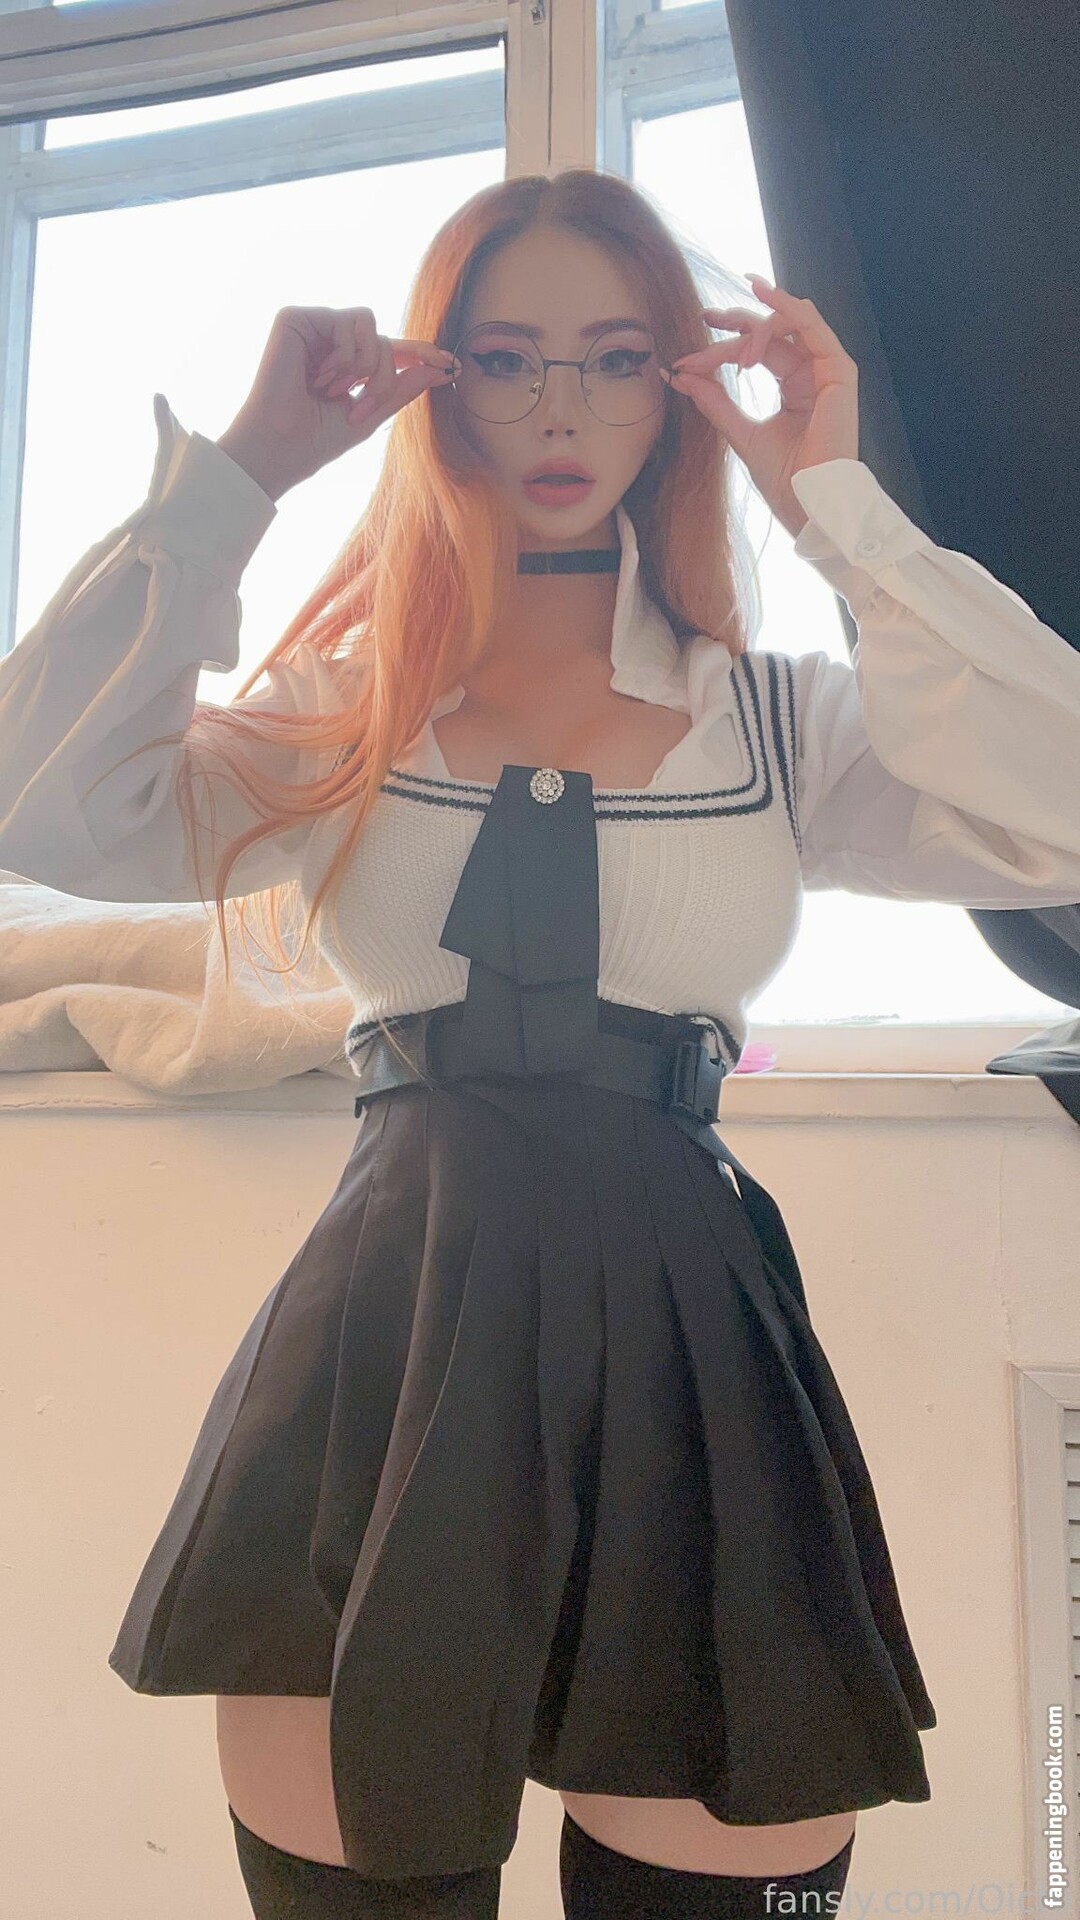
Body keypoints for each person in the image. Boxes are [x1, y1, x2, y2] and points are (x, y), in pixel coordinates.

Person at [4, 167, 1079, 1919]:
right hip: (382, 1364)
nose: (562, 409)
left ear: (681, 386)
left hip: (694, 1372)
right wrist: (241, 475)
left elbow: (1065, 800)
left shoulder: (776, 726)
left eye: (618, 357)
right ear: (439, 387)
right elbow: (37, 804)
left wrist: (838, 508)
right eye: (506, 359)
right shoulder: (346, 715)